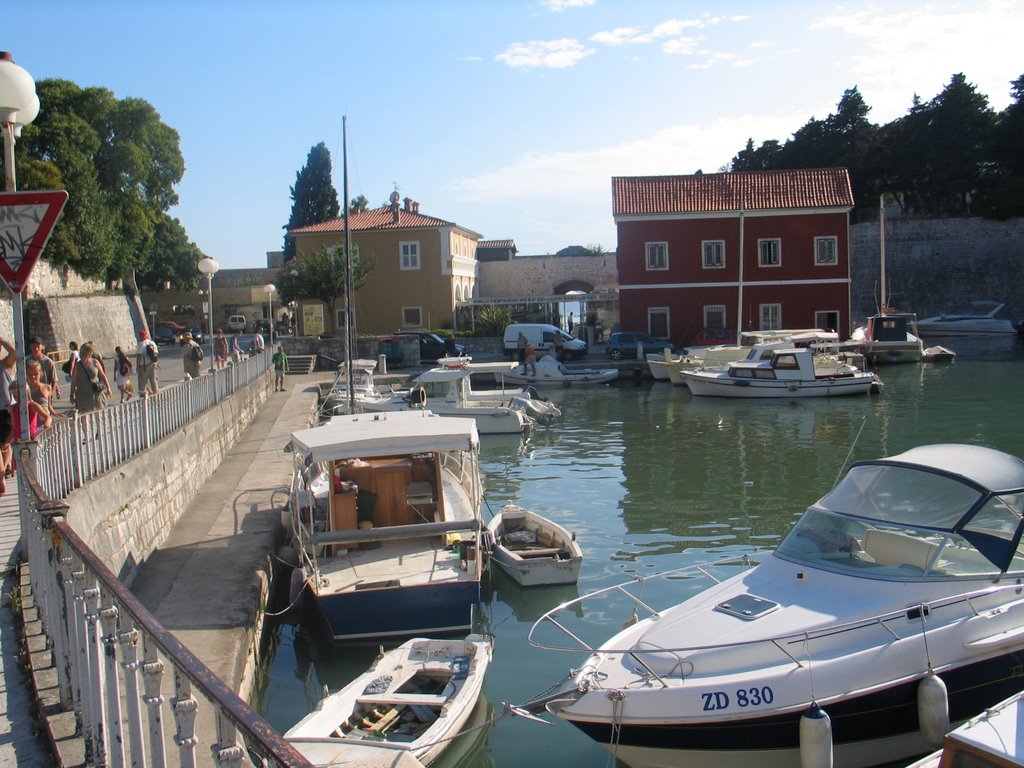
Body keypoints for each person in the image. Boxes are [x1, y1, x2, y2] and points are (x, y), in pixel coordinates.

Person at [70, 342, 111, 413]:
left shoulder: (95, 362)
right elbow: (74, 381)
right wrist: (72, 394)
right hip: (83, 394)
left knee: (98, 414)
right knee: (84, 416)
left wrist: (108, 388)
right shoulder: (77, 365)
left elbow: (103, 376)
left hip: (96, 392)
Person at [0, 337, 17, 494]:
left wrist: (1, 339)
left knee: (6, 444)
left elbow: (14, 352)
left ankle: (5, 467)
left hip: (6, 410)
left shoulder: (6, 365)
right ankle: (2, 476)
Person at [135, 330, 159, 396]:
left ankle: (143, 399)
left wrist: (137, 366)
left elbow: (139, 356)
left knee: (142, 383)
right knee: (154, 381)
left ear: (140, 336)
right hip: (153, 364)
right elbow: (156, 353)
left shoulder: (141, 344)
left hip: (144, 366)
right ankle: (156, 397)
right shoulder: (152, 343)